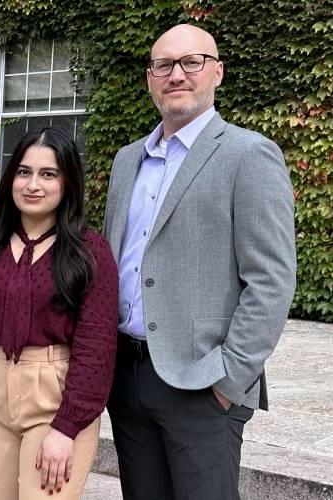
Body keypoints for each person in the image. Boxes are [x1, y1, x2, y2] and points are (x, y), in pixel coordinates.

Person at [103, 24, 296, 500]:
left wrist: (228, 379)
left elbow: (270, 280)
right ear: (150, 78)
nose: (177, 75)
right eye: (164, 65)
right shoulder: (128, 160)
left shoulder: (248, 155)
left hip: (203, 384)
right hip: (126, 377)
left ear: (217, 73)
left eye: (192, 62)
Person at [0, 127, 118, 499]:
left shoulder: (90, 252)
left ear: (68, 181)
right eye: (24, 172)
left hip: (54, 396)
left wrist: (67, 427)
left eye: (48, 174)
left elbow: (97, 349)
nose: (33, 184)